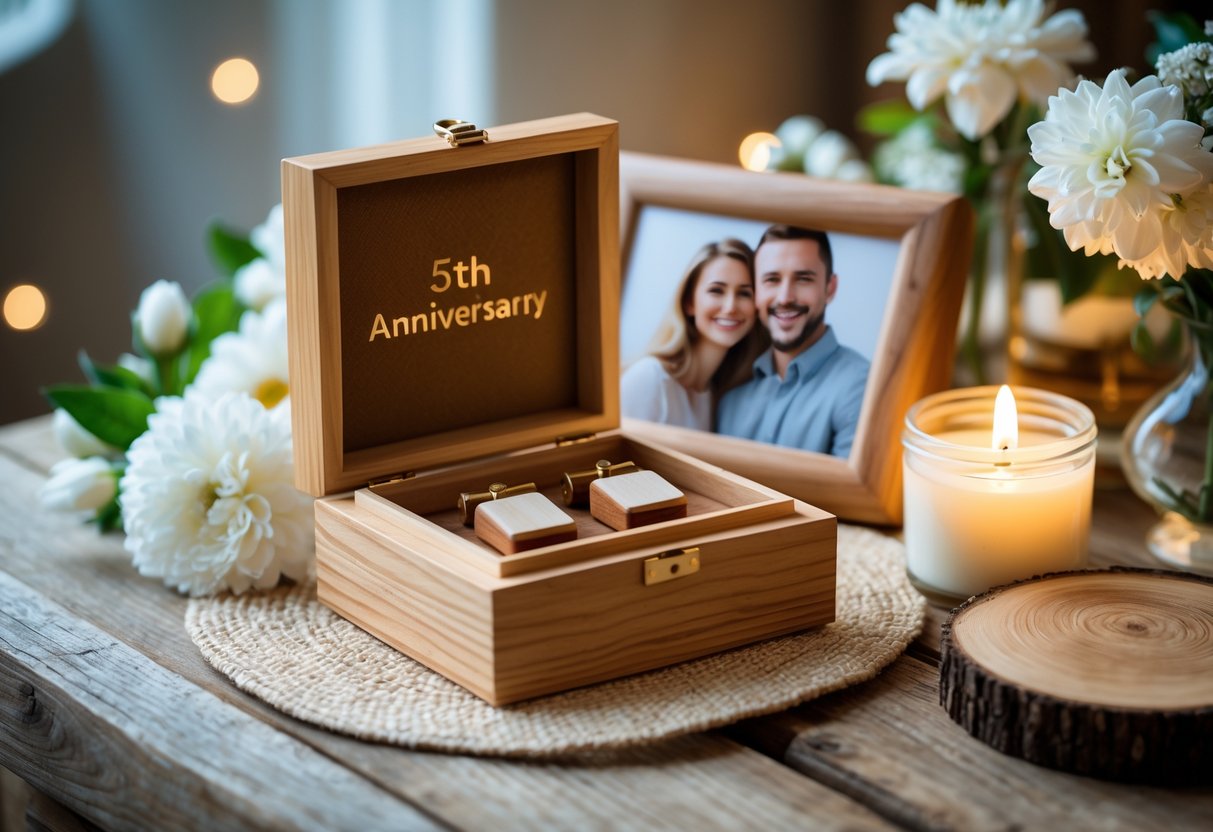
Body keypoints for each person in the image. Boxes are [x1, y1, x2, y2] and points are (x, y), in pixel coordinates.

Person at [717, 225, 869, 457]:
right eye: (772, 279)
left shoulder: (862, 387)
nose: (785, 297)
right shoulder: (731, 395)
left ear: (830, 288)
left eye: (803, 279)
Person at [621, 238, 766, 431]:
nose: (731, 307)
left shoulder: (714, 398)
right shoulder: (650, 377)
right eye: (716, 291)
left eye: (744, 293)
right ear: (689, 302)